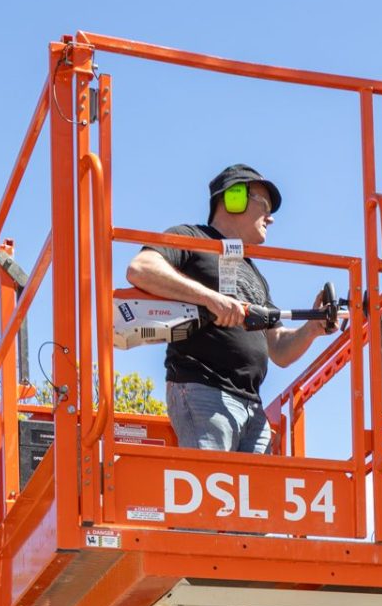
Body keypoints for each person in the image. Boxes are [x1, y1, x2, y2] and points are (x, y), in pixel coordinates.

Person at [125, 164, 330, 452]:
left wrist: (313, 328)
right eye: (264, 205)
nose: (270, 219)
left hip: (251, 405)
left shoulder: (255, 275)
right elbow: (141, 268)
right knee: (211, 491)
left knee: (258, 496)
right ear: (234, 198)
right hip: (204, 391)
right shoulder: (191, 237)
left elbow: (280, 349)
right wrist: (212, 298)